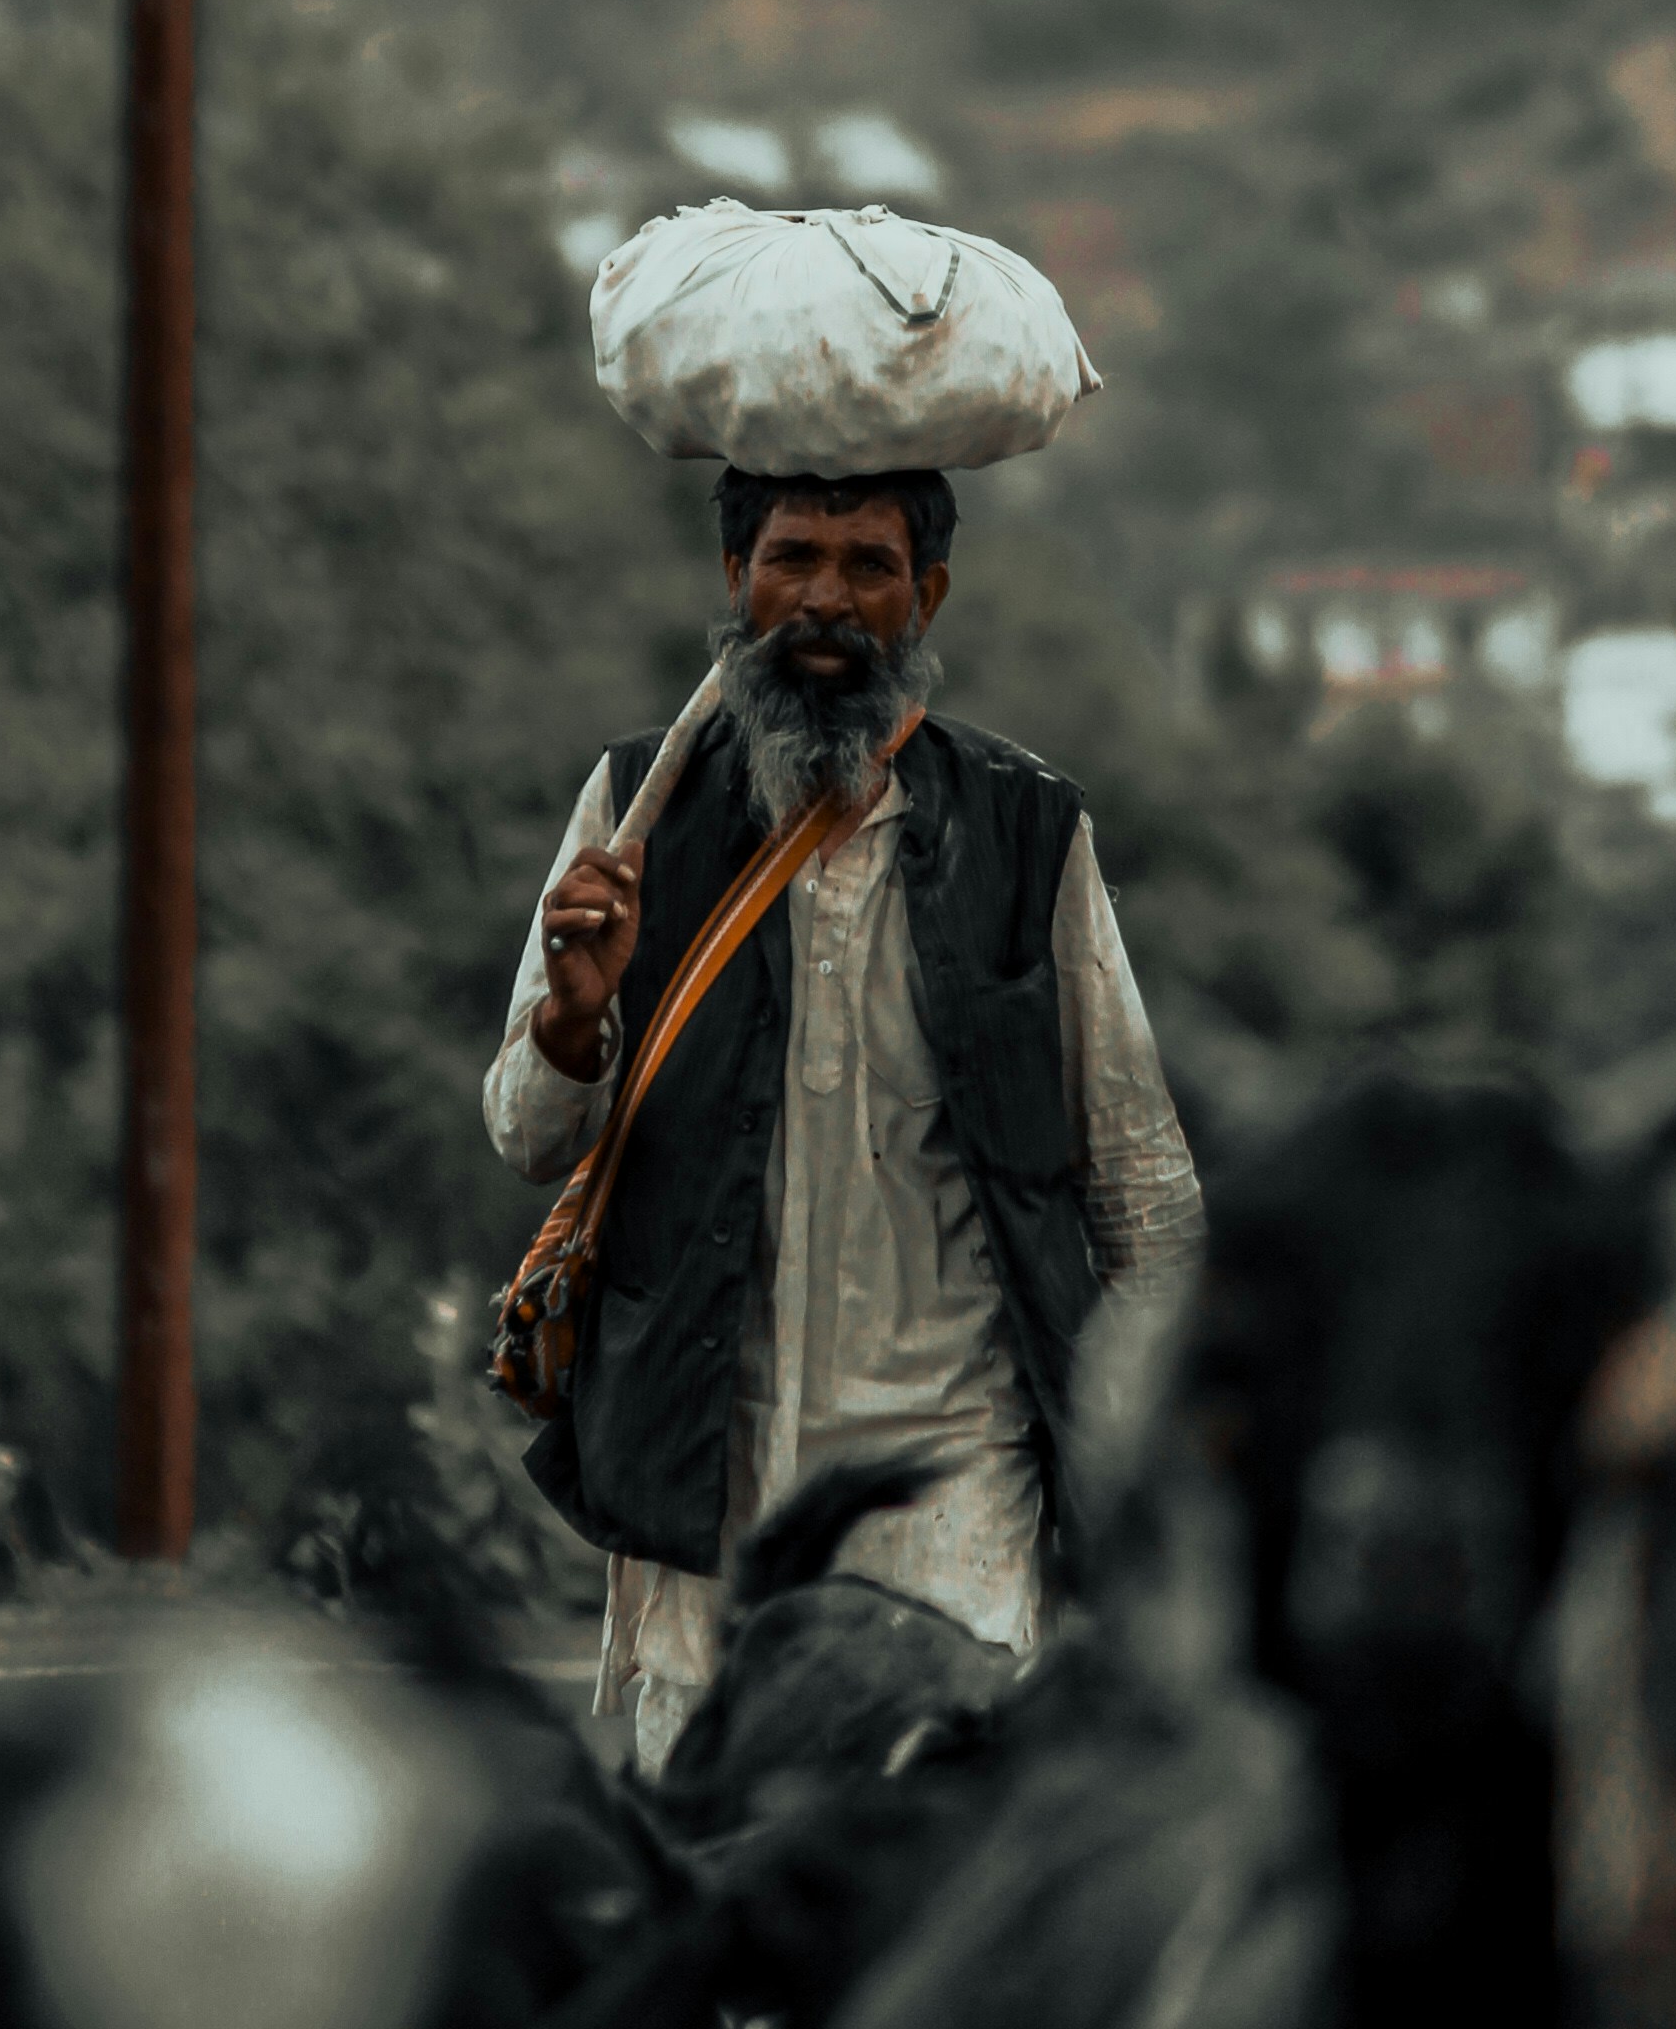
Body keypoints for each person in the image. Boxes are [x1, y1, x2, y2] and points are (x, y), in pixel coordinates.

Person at [486, 458, 1204, 1776]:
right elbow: (528, 1136)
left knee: (922, 1858)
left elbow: (1142, 1184)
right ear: (736, 579)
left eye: (869, 567)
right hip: (710, 1483)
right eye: (793, 560)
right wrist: (573, 1021)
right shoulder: (638, 807)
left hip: (957, 1498)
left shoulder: (1028, 829)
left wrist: (1158, 1484)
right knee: (718, 1860)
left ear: (927, 597)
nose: (826, 599)